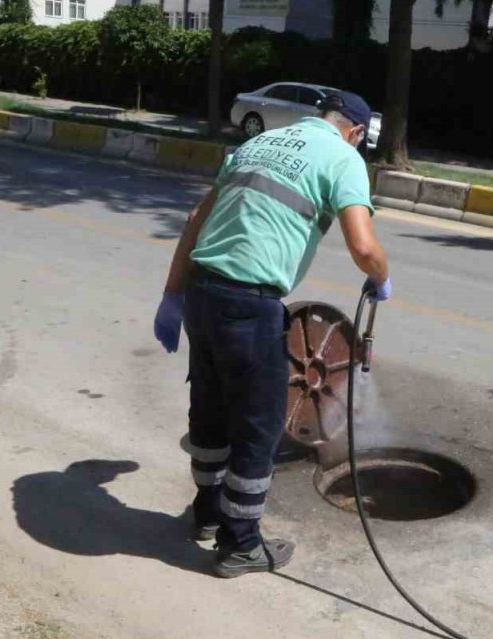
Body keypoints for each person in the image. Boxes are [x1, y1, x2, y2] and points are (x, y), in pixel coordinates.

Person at [152, 91, 390, 579]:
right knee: (257, 429)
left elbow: (197, 218)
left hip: (201, 294)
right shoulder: (344, 157)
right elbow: (364, 248)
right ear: (357, 132)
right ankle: (240, 545)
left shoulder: (262, 141)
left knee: (211, 413)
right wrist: (380, 277)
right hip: (248, 303)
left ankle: (205, 511)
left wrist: (172, 296)